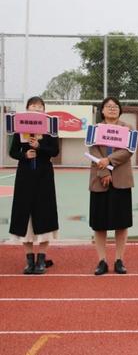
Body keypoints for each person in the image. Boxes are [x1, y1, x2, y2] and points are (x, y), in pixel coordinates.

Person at [9, 96, 59, 274]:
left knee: (45, 213)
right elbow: (13, 151)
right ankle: (29, 259)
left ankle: (41, 259)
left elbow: (54, 151)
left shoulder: (50, 128)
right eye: (33, 106)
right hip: (25, 175)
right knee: (24, 214)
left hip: (44, 175)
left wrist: (40, 146)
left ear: (44, 110)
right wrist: (25, 156)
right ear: (27, 109)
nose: (36, 108)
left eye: (40, 106)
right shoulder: (18, 128)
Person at [88, 97, 135, 276]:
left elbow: (129, 151)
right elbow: (93, 151)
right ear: (102, 110)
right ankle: (101, 261)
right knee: (99, 224)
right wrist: (104, 171)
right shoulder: (94, 129)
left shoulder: (128, 128)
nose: (112, 109)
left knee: (121, 223)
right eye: (108, 106)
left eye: (115, 106)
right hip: (99, 180)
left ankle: (119, 260)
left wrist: (109, 161)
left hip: (121, 179)